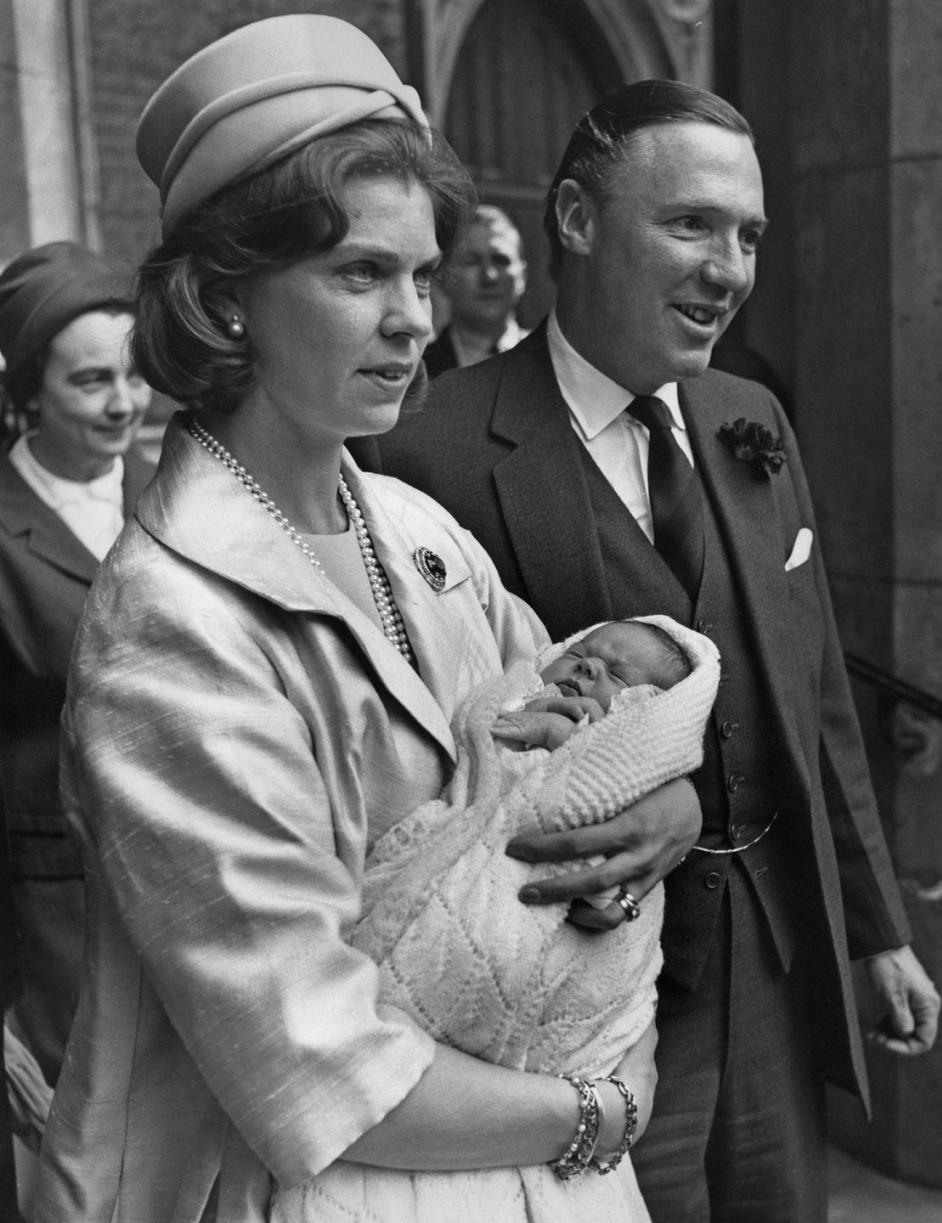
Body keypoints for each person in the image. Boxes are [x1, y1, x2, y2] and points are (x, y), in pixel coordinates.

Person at [34, 18, 698, 1223]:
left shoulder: (414, 528)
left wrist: (663, 802)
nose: (410, 318)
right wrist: (603, 1105)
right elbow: (321, 1068)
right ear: (228, 299)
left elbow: (574, 756)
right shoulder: (167, 624)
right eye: (358, 274)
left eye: (422, 275)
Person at [368, 78, 942, 1222]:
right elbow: (421, 781)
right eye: (691, 224)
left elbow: (813, 687)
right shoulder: (427, 450)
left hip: (774, 970)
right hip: (573, 1004)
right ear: (577, 221)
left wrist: (877, 930)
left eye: (749, 236)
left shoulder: (749, 419)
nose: (729, 269)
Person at [276, 614, 718, 1222]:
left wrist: (612, 774)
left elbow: (603, 899)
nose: (590, 668)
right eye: (583, 654)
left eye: (618, 676)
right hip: (386, 1028)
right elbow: (473, 766)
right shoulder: (508, 699)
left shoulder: (631, 787)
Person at [0, 241, 153, 1087]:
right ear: (28, 392)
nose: (124, 402)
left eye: (133, 375)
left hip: (193, 888)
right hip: (50, 918)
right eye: (90, 381)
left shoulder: (178, 497)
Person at [423, 204, 529, 376]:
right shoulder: (417, 371)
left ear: (522, 276)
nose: (489, 276)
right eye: (471, 261)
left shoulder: (554, 363)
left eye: (500, 260)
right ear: (443, 278)